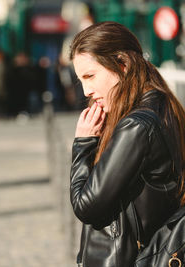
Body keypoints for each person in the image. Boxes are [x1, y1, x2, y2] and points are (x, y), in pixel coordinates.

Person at [69, 21, 185, 267]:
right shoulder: (163, 105)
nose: (86, 90)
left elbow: (85, 206)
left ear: (122, 64)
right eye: (81, 80)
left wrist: (82, 144)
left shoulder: (136, 125)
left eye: (90, 76)